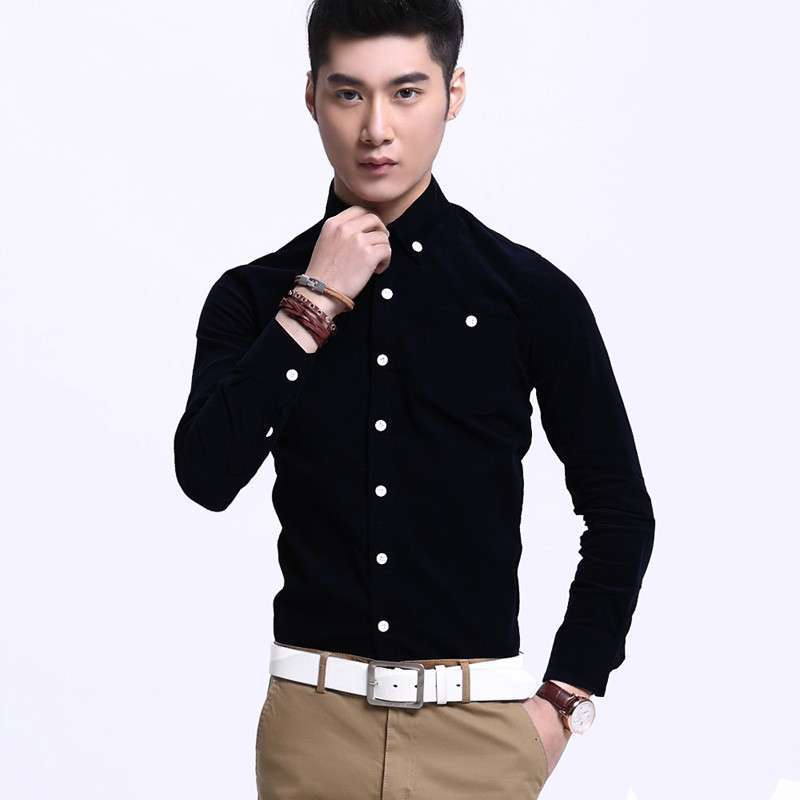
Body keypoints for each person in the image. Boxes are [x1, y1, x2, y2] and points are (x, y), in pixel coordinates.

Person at [173, 1, 655, 797]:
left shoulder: (528, 295)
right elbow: (206, 476)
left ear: (452, 93)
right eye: (348, 93)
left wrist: (565, 700)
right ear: (311, 96)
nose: (376, 129)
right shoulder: (254, 297)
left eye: (406, 92)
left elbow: (620, 511)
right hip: (312, 732)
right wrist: (312, 303)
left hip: (481, 734)